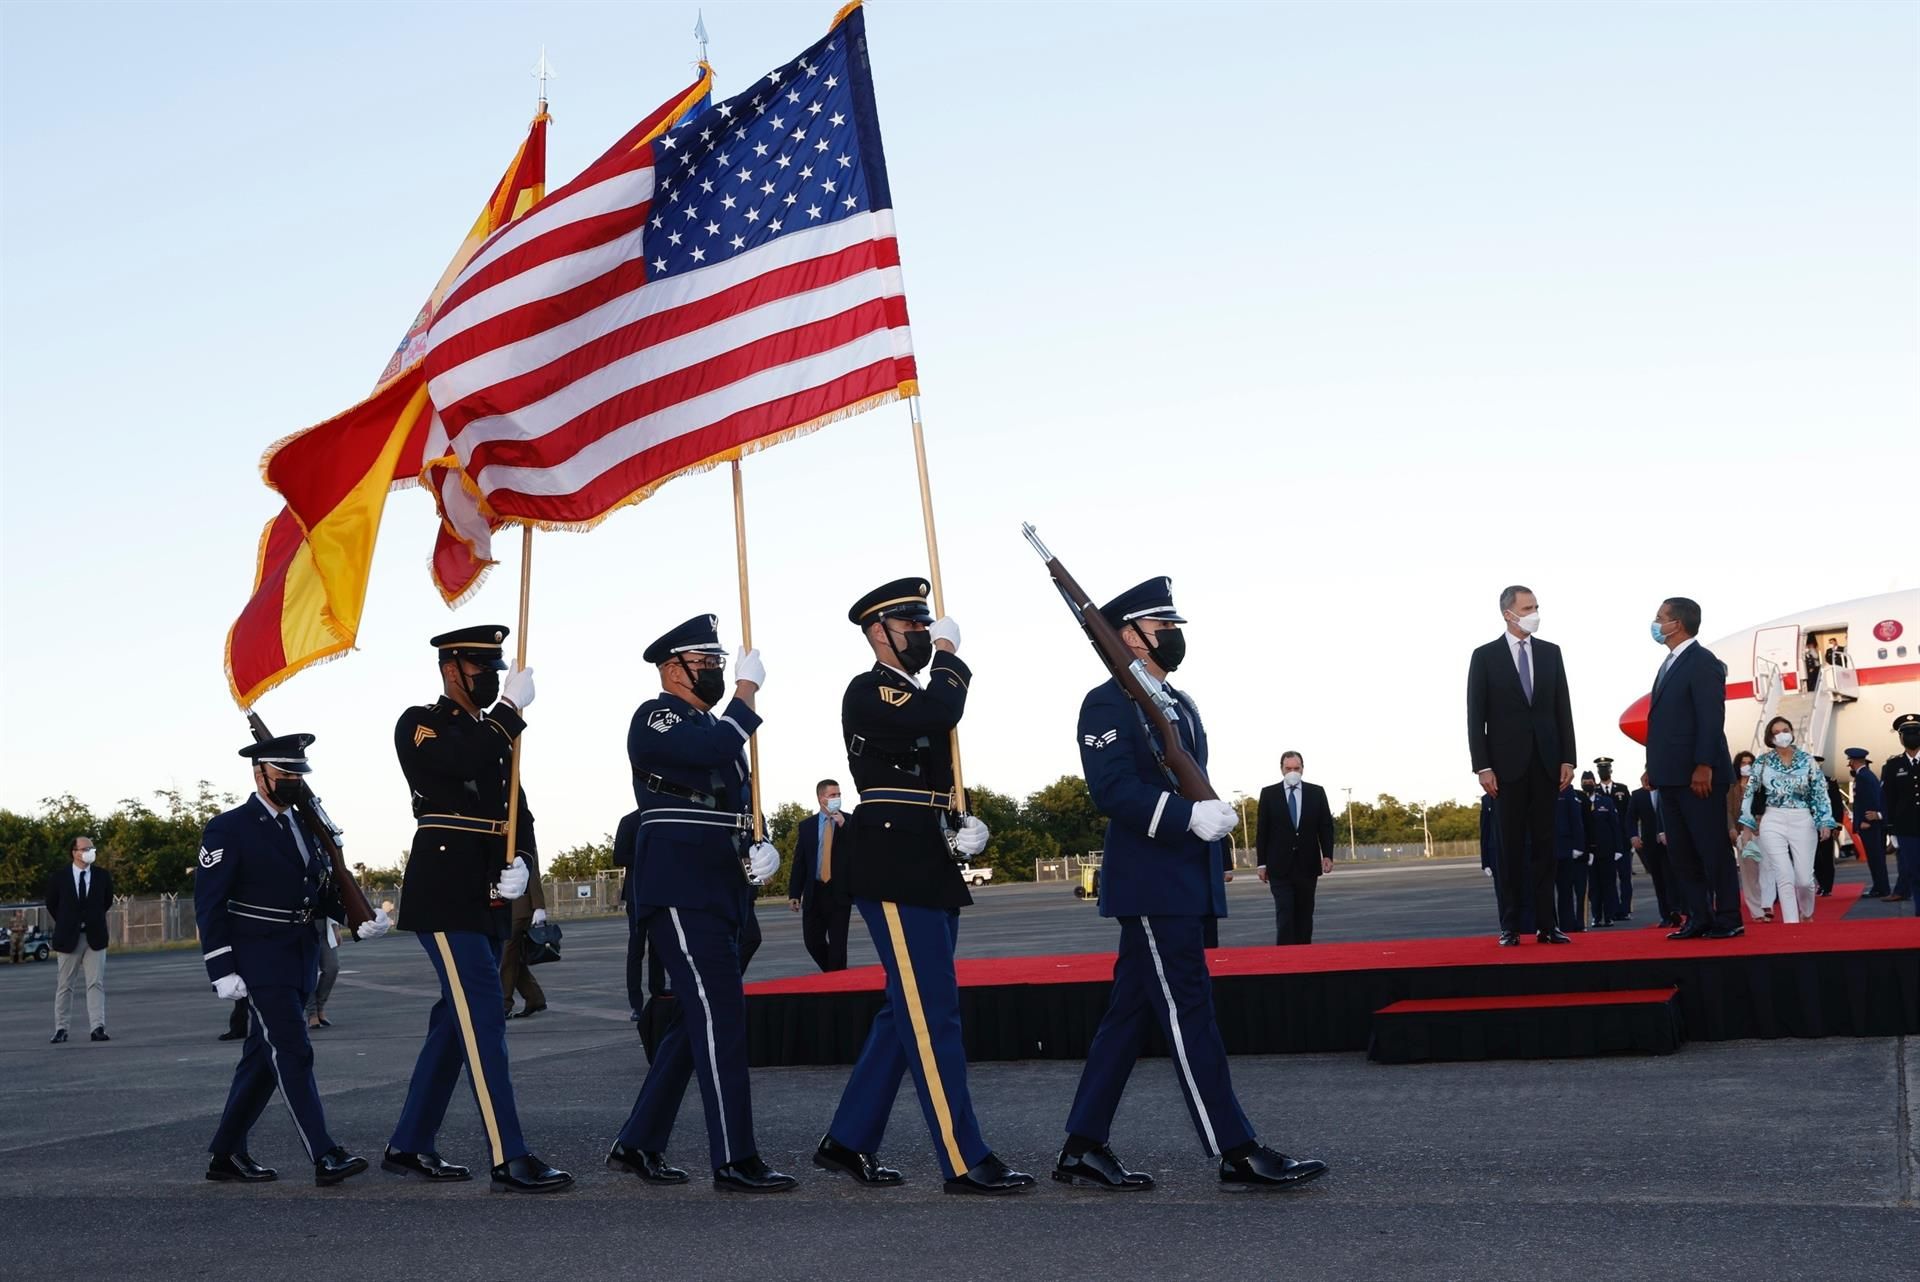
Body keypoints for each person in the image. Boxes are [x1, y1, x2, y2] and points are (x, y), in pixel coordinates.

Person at [1057, 576, 1327, 1193]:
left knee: (1129, 1016)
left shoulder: (1178, 701)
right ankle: (1236, 1149)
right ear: (1129, 636)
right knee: (1189, 1012)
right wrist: (1186, 817)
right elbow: (1114, 790)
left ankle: (1081, 1147)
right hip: (1152, 882)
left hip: (1182, 878)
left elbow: (1183, 772)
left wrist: (1211, 817)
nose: (1174, 638)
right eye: (1164, 629)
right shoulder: (1107, 702)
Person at [819, 577, 1030, 1195]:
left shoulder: (911, 690)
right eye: (908, 625)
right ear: (876, 633)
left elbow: (932, 766)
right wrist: (952, 659)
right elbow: (940, 710)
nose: (919, 632)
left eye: (923, 622)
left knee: (903, 1011)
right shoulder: (870, 690)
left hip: (925, 854)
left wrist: (960, 824)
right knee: (933, 1013)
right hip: (891, 861)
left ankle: (848, 1138)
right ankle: (963, 1158)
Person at [607, 614, 793, 1193]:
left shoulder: (717, 727)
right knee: (721, 1020)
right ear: (672, 669)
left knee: (695, 1023)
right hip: (683, 889)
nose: (714, 670)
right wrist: (746, 691)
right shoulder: (657, 715)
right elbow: (711, 745)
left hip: (723, 887)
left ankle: (639, 1142)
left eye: (718, 663)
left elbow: (736, 798)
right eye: (704, 663)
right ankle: (735, 1158)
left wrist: (763, 847)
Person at [385, 625, 571, 1193]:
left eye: (496, 668)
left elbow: (520, 808)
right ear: (451, 669)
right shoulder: (422, 723)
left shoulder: (494, 733)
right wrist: (511, 709)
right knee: (485, 1011)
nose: (490, 677)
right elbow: (459, 759)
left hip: (490, 888)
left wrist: (525, 861)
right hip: (444, 888)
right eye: (481, 667)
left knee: (454, 1020)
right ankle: (507, 1154)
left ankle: (410, 1143)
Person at [195, 732, 391, 1184]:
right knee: (294, 1052)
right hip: (258, 958)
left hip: (301, 955)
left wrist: (355, 919)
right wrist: (221, 968)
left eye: (297, 774)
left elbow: (320, 890)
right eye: (284, 774)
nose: (292, 782)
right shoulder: (230, 827)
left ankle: (225, 1154)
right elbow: (209, 903)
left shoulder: (304, 826)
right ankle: (325, 1154)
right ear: (259, 774)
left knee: (263, 1062)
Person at [1466, 585, 1576, 946]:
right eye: (1528, 607)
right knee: (1509, 849)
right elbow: (1475, 716)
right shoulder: (1484, 657)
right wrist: (1482, 766)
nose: (1534, 613)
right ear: (1508, 614)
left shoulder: (1551, 653)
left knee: (1546, 847)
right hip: (1505, 769)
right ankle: (1510, 926)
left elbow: (1563, 708)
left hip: (1546, 764)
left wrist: (1567, 757)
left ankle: (1548, 925)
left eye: (1536, 606)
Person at [1647, 597, 1742, 939]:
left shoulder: (1702, 662)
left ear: (1678, 624)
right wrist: (1652, 768)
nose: (1656, 624)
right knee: (1682, 853)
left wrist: (1703, 765)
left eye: (1660, 618)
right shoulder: (1669, 664)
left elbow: (1710, 718)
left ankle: (1729, 917)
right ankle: (1698, 916)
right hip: (1670, 777)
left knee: (1712, 848)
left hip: (1698, 777)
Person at [1737, 716, 1835, 924]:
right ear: (1770, 738)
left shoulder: (1807, 760)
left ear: (1791, 732)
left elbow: (1819, 791)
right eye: (1776, 732)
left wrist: (1825, 821)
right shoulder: (1762, 762)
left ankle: (1807, 913)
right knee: (1784, 876)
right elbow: (1750, 794)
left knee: (1804, 880)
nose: (1782, 734)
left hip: (1803, 819)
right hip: (1773, 818)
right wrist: (1747, 826)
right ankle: (1792, 926)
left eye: (1785, 729)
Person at [1255, 751, 1335, 945]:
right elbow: (1262, 831)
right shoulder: (1269, 794)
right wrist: (1261, 863)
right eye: (1288, 768)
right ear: (1281, 769)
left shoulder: (1316, 793)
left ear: (1303, 769)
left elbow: (1325, 826)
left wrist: (1327, 855)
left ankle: (1304, 959)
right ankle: (1285, 961)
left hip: (1307, 865)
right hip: (1279, 867)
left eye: (1296, 768)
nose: (1292, 772)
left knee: (1305, 916)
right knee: (1285, 915)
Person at [46, 834, 112, 1044]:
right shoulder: (59, 877)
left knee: (95, 983)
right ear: (74, 852)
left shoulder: (102, 876)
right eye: (85, 848)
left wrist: (91, 919)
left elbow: (106, 902)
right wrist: (68, 922)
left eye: (92, 848)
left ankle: (97, 1027)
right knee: (65, 985)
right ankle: (61, 1029)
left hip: (95, 937)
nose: (90, 852)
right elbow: (52, 904)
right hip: (69, 938)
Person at [788, 779, 853, 971]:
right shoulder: (807, 826)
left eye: (839, 795)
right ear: (820, 798)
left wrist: (844, 825)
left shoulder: (849, 821)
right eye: (832, 795)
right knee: (812, 941)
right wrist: (794, 893)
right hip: (814, 891)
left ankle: (838, 985)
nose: (837, 799)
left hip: (839, 892)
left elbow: (859, 850)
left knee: (838, 946)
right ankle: (834, 975)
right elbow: (800, 862)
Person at [499, 848, 549, 1020]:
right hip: (503, 906)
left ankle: (504, 1004)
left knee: (506, 956)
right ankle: (534, 998)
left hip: (520, 906)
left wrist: (538, 905)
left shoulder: (519, 829)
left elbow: (532, 867)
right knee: (513, 958)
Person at [1629, 768, 1678, 927]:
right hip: (1650, 845)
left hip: (1670, 843)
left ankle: (1676, 911)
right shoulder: (1638, 795)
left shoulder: (1667, 792)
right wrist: (1634, 836)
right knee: (1658, 880)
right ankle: (1665, 915)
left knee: (1672, 878)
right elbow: (1630, 818)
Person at [1884, 713, 1920, 915]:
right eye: (1907, 733)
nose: (1912, 736)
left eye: (1916, 732)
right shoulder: (1893, 766)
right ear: (1900, 737)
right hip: (1907, 828)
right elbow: (1889, 798)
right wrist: (1891, 829)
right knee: (1914, 872)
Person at [1845, 748, 1893, 899]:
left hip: (1870, 825)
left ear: (1853, 761)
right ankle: (1880, 887)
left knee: (1875, 858)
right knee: (1875, 857)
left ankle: (1881, 888)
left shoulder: (1864, 777)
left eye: (1850, 762)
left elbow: (1871, 800)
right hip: (1871, 824)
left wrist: (1866, 820)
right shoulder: (1866, 775)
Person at [1729, 750, 1770, 921]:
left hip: (1763, 832)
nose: (1747, 767)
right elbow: (1728, 810)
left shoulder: (1762, 785)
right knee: (1749, 872)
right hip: (1742, 834)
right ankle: (1757, 911)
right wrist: (1731, 828)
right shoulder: (1731, 787)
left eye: (1750, 763)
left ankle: (1767, 903)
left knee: (1767, 869)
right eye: (1743, 763)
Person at [1580, 770, 1624, 928]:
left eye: (1590, 781)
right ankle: (1597, 916)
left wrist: (1619, 848)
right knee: (1593, 887)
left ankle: (1609, 916)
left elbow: (1615, 826)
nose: (1587, 784)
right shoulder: (1579, 801)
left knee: (1608, 884)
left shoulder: (1606, 802)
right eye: (1585, 781)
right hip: (1588, 852)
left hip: (1607, 850)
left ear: (1595, 782)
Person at [1596, 758, 1635, 918]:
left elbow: (1630, 814)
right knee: (1608, 879)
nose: (1604, 771)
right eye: (1601, 769)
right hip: (1605, 843)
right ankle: (1612, 909)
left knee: (1625, 877)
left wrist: (1631, 836)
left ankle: (1624, 910)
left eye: (1606, 768)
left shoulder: (1622, 789)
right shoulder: (1594, 791)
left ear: (1611, 770)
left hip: (1623, 841)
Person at [1553, 778, 1587, 932]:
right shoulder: (1538, 787)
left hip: (1564, 848)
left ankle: (1567, 925)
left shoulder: (1566, 790)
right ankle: (1549, 926)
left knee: (1565, 890)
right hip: (1544, 848)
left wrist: (1578, 845)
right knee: (1544, 892)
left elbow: (1576, 819)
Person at [1813, 760, 1845, 896]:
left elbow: (1837, 804)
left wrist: (1837, 825)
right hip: (1809, 825)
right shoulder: (1804, 781)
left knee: (1826, 857)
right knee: (1813, 858)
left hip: (1826, 824)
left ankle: (1827, 886)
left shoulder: (1829, 782)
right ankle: (1821, 882)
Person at [306, 917, 340, 1029]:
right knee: (308, 972)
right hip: (303, 928)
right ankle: (312, 1013)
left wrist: (335, 927)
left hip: (325, 928)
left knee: (332, 968)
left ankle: (319, 1006)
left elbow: (332, 903)